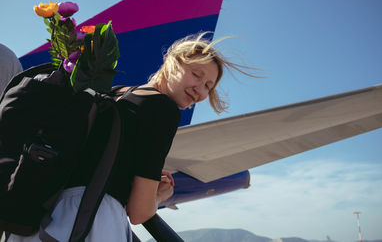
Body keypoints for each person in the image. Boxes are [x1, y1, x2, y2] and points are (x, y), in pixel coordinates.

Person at [7, 32, 251, 242]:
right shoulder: (163, 109)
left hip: (46, 215)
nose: (201, 89)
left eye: (209, 86)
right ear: (172, 62)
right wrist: (160, 196)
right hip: (90, 222)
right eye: (196, 75)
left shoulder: (118, 94)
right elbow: (139, 212)